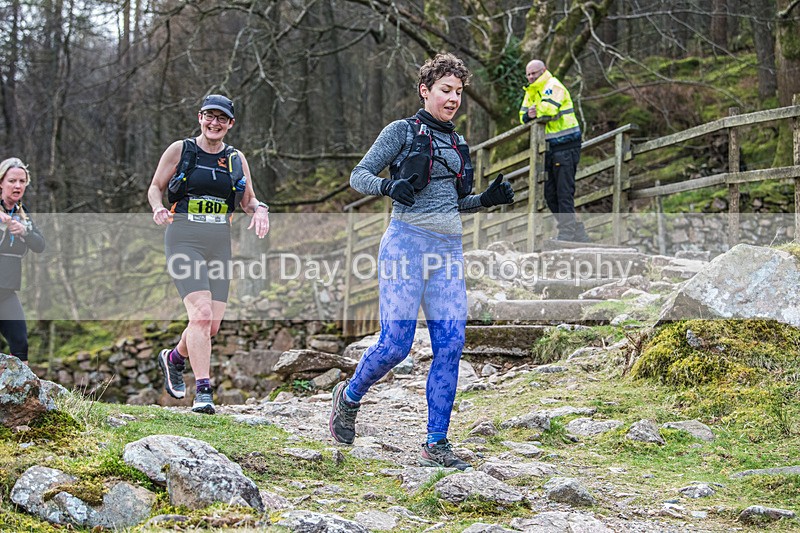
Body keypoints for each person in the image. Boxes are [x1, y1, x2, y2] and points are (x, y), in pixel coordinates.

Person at [329, 53, 514, 470]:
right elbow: (359, 175)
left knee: (451, 345)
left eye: (459, 93)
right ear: (425, 90)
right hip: (405, 247)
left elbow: (453, 201)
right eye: (445, 91)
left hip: (448, 252)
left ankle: (436, 443)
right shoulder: (401, 132)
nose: (453, 100)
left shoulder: (458, 142)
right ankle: (350, 395)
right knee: (396, 345)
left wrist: (485, 200)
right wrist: (388, 185)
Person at [148, 94, 270, 414]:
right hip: (184, 237)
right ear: (199, 117)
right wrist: (158, 208)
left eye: (222, 118)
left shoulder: (235, 159)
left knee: (210, 326)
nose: (214, 123)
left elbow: (248, 200)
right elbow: (155, 186)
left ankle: (173, 358)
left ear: (230, 124)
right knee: (200, 315)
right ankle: (203, 392)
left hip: (219, 242)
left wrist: (260, 210)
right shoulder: (181, 150)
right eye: (209, 116)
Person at [519, 59, 590, 242]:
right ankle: (578, 233)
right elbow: (523, 115)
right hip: (549, 148)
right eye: (528, 74)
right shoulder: (531, 91)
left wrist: (535, 111)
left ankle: (567, 233)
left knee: (563, 192)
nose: (531, 77)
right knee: (549, 194)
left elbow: (549, 109)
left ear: (544, 71)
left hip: (566, 145)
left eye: (534, 73)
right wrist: (529, 114)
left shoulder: (553, 85)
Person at [0, 158, 45, 366]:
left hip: (7, 292)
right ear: (1, 182)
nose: (17, 186)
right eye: (11, 181)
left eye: (22, 181)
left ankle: (21, 397)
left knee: (20, 344)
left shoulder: (22, 212)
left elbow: (40, 245)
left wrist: (24, 231)